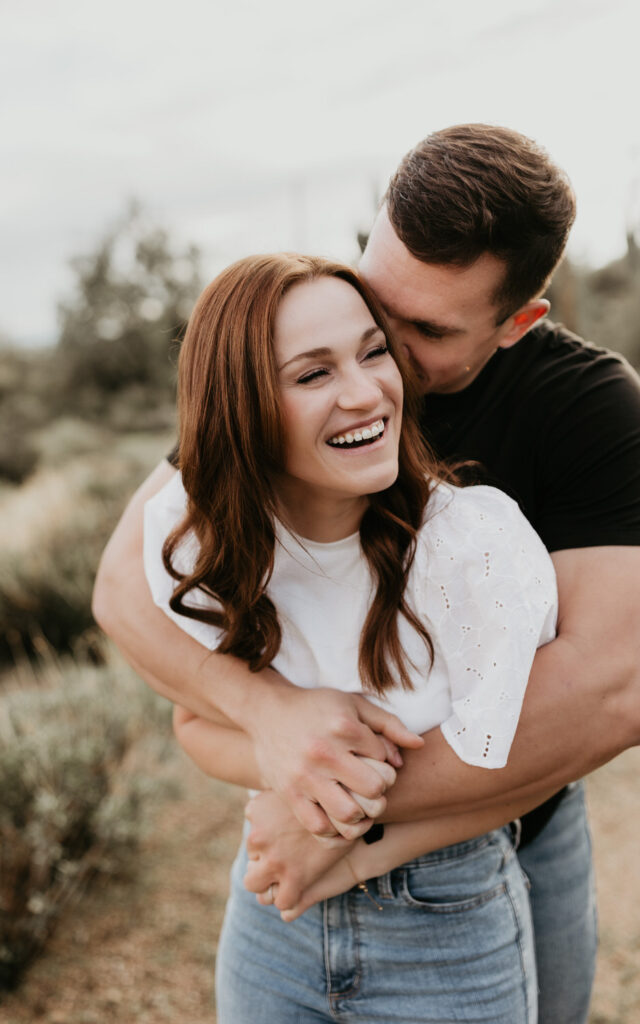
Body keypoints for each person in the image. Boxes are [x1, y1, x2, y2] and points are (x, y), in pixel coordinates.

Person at [93, 124, 640, 1024]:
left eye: (426, 331)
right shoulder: (313, 334)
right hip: (298, 836)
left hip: (511, 836)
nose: (382, 363)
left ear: (517, 321)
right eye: (378, 301)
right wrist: (273, 716)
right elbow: (125, 591)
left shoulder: (585, 405)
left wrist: (343, 824)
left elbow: (616, 691)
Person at [143, 251, 558, 1022]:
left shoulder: (473, 548)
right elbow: (194, 722)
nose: (366, 393)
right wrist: (290, 754)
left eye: (374, 353)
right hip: (272, 912)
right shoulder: (198, 538)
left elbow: (525, 762)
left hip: (446, 921)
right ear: (241, 407)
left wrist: (335, 821)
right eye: (312, 374)